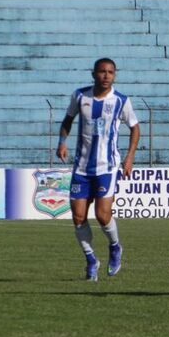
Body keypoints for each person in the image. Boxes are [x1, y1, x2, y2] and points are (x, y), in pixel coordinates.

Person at [56, 58, 140, 280]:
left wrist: (129, 157)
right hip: (82, 167)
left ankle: (115, 246)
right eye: (102, 71)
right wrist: (62, 142)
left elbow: (135, 128)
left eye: (110, 72)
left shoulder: (121, 101)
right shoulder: (80, 96)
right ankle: (91, 259)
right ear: (93, 74)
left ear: (115, 75)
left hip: (107, 167)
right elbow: (67, 120)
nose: (106, 75)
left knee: (102, 216)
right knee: (78, 217)